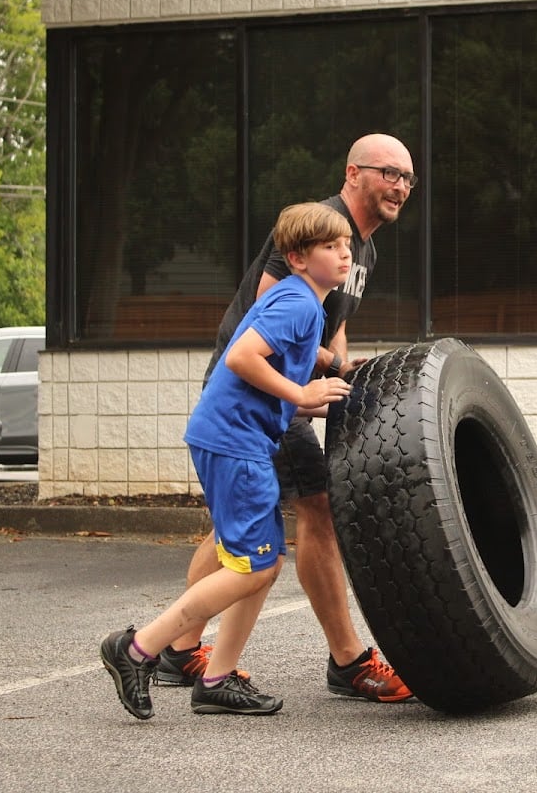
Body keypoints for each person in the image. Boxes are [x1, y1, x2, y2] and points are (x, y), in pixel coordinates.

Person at [152, 134, 417, 703]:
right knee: (316, 506)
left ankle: (178, 648)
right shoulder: (317, 228)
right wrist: (303, 386)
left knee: (239, 527)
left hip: (278, 394)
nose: (400, 186)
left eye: (407, 179)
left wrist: (341, 362)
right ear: (353, 173)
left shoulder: (359, 250)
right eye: (389, 173)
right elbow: (272, 317)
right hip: (259, 392)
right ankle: (348, 661)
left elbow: (329, 321)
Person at [100, 202, 356, 719]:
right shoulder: (300, 304)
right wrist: (300, 395)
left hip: (238, 439)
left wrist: (306, 389)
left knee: (261, 561)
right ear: (298, 258)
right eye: (331, 246)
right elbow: (242, 358)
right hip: (235, 441)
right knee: (253, 565)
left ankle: (217, 677)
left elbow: (260, 362)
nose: (345, 253)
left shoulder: (302, 300)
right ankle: (136, 649)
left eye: (346, 244)